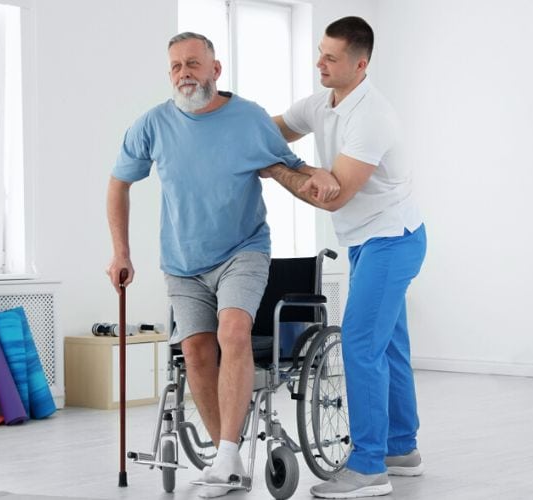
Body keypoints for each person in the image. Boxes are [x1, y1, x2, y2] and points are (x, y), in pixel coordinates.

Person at [106, 32, 337, 498]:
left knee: (232, 331)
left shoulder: (249, 119)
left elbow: (289, 168)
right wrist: (121, 252)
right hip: (182, 262)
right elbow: (118, 185)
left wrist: (322, 174)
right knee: (194, 349)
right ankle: (225, 458)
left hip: (243, 249)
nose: (184, 73)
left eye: (193, 63)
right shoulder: (152, 125)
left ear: (216, 69)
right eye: (175, 66)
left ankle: (228, 450)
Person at [261, 16, 427, 498]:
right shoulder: (321, 104)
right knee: (388, 346)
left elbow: (334, 196)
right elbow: (274, 131)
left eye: (331, 58)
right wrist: (233, 128)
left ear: (360, 63)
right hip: (367, 240)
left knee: (359, 343)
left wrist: (277, 170)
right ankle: (401, 448)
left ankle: (370, 466)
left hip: (392, 240)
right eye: (320, 52)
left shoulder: (372, 116)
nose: (320, 63)